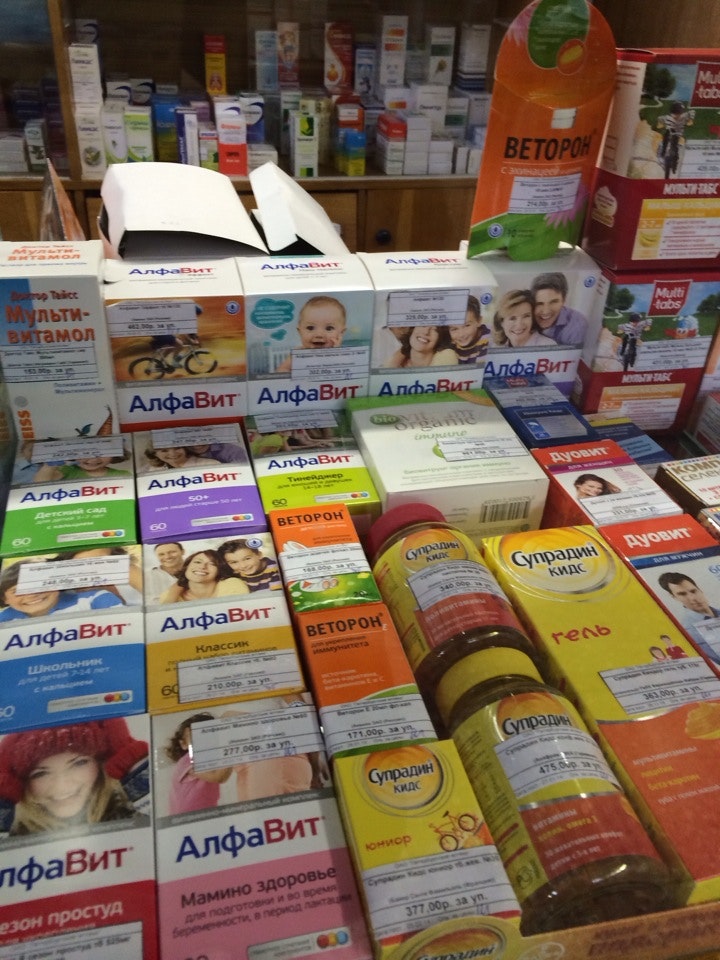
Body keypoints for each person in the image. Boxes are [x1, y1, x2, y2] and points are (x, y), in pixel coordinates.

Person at [0, 718, 148, 835]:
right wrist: (2, 799)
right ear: (22, 783)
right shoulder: (10, 832)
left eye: (79, 763)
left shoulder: (137, 811)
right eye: (40, 773)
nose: (62, 786)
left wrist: (133, 764)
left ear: (100, 764)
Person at [0, 561, 124, 622]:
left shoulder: (95, 600)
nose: (32, 594)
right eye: (17, 591)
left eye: (41, 584)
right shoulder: (3, 620)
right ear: (4, 598)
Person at [164, 713, 231, 815]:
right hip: (187, 816)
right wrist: (230, 746)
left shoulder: (211, 758)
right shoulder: (188, 761)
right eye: (196, 738)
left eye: (211, 736)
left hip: (205, 811)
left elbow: (223, 775)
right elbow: (219, 777)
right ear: (184, 744)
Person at [657, 572, 720, 663]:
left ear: (700, 590)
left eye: (693, 591)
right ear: (674, 597)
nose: (693, 598)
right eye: (682, 594)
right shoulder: (689, 630)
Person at [275, 296, 347, 373]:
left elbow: (347, 371)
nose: (319, 334)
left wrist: (336, 354)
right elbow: (281, 370)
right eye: (310, 328)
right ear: (300, 332)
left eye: (329, 328)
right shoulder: (298, 354)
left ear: (341, 333)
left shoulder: (341, 355)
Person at [58, 545, 143, 606]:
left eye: (101, 563)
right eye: (81, 565)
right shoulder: (62, 596)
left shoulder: (128, 577)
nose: (92, 573)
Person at [159, 549, 250, 603]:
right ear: (186, 567)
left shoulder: (232, 585)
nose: (202, 567)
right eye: (197, 562)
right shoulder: (168, 595)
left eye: (212, 564)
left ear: (219, 570)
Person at [530, 272, 588, 347]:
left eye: (553, 302)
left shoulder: (577, 326)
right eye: (539, 304)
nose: (546, 311)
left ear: (563, 300)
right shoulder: (526, 317)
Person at [491, 290, 555, 349]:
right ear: (501, 322)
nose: (519, 325)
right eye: (512, 318)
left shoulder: (548, 346)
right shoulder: (495, 349)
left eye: (526, 316)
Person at [218, 539, 282, 592]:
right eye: (234, 562)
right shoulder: (234, 575)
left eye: (247, 559)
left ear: (259, 555)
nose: (243, 566)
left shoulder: (276, 569)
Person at [31, 450, 131, 482]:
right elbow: (40, 482)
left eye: (102, 453)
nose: (93, 459)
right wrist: (49, 466)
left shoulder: (122, 475)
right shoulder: (67, 470)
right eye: (85, 452)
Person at [386, 325, 458, 368]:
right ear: (412, 329)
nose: (426, 332)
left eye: (435, 329)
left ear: (440, 338)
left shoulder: (446, 356)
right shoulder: (397, 362)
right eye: (423, 324)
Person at [449, 295, 491, 364]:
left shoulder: (489, 338)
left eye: (467, 325)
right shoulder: (450, 345)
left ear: (479, 321)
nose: (461, 334)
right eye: (454, 329)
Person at [143, 445, 221, 471]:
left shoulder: (211, 464)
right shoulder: (154, 470)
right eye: (164, 450)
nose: (173, 454)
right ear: (155, 454)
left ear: (186, 449)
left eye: (177, 448)